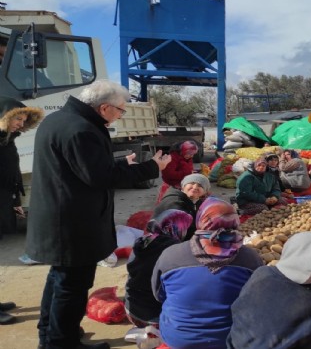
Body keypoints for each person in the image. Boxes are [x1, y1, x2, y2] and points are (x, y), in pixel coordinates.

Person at [25, 80, 171, 349]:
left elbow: (79, 168)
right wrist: (152, 167)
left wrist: (116, 163)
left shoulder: (60, 120)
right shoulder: (82, 130)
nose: (120, 115)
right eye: (120, 110)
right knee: (72, 285)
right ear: (104, 107)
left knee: (59, 279)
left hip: (61, 216)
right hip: (72, 222)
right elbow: (100, 177)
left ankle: (52, 333)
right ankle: (61, 343)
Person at [152, 197, 264, 349]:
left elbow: (159, 294)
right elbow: (256, 301)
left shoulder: (171, 254)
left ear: (200, 220)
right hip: (231, 339)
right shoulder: (249, 257)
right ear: (235, 221)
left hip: (179, 339)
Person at [0, 96, 43, 324]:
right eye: (18, 118)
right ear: (4, 115)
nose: (20, 123)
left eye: (24, 119)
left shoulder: (7, 138)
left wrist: (15, 198)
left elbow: (11, 171)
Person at [123, 210, 192, 342]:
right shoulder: (174, 250)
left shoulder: (143, 241)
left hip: (131, 308)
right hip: (152, 315)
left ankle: (144, 330)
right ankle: (153, 335)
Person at [153, 173, 211, 240]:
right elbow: (186, 230)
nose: (195, 187)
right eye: (192, 183)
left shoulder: (196, 200)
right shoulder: (174, 202)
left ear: (204, 192)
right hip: (163, 241)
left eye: (200, 185)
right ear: (183, 186)